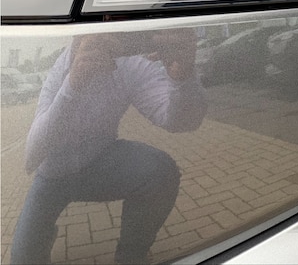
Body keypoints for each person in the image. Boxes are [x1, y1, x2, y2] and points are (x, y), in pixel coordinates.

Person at [11, 28, 207, 265]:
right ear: (76, 35)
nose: (106, 37)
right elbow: (32, 155)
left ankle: (130, 256)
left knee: (161, 171)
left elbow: (181, 122)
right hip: (51, 177)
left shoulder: (129, 65)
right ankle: (43, 233)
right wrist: (73, 84)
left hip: (99, 162)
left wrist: (182, 77)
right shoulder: (62, 66)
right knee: (22, 260)